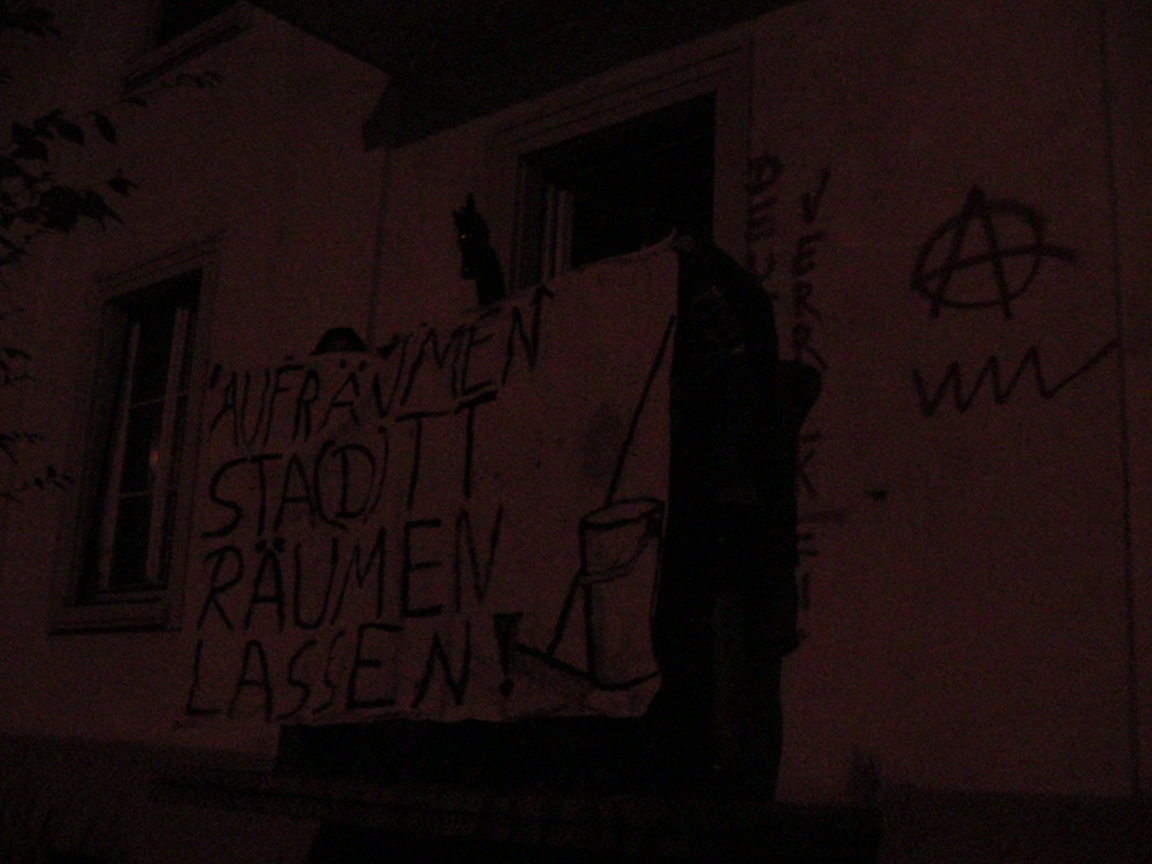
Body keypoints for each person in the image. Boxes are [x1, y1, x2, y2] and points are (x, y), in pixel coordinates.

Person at [648, 281, 820, 798]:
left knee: (751, 670)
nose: (717, 334)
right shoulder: (706, 394)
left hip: (751, 552)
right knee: (722, 664)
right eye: (708, 324)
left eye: (723, 320)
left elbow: (797, 385)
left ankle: (745, 779)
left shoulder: (764, 388)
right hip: (717, 549)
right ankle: (728, 771)